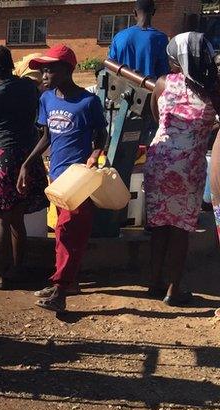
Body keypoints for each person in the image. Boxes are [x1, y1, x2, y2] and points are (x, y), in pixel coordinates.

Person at [20, 44, 108, 312]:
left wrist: (93, 157)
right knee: (62, 233)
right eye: (42, 70)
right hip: (56, 177)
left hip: (78, 180)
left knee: (69, 231)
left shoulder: (88, 102)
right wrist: (27, 163)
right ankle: (66, 280)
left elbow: (101, 136)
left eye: (50, 69)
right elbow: (46, 136)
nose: (44, 75)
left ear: (67, 70)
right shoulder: (47, 100)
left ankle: (60, 289)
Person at [144, 32, 219, 306]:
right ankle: (173, 291)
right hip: (189, 167)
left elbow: (157, 116)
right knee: (180, 230)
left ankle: (154, 283)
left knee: (160, 226)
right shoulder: (213, 89)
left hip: (159, 161)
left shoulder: (163, 83)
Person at [0, 46, 49, 289]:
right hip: (27, 156)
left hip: (1, 157)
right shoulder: (29, 88)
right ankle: (19, 269)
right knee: (17, 217)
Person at [107, 0, 170, 80]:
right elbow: (163, 74)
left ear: (134, 13)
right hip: (149, 90)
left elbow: (110, 67)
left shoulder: (119, 37)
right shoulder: (161, 39)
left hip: (121, 89)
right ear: (153, 12)